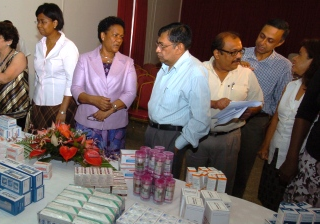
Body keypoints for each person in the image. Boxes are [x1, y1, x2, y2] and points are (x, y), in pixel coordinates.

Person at [185, 32, 263, 194]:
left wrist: (249, 110)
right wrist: (214, 103)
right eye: (233, 52)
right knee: (193, 184)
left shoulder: (246, 74)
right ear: (217, 53)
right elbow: (184, 101)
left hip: (229, 138)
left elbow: (259, 102)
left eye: (240, 51)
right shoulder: (198, 71)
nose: (238, 56)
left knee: (222, 186)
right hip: (200, 136)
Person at [233, 18, 293, 198]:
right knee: (223, 160)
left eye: (270, 40)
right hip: (231, 112)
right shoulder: (240, 53)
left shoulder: (284, 66)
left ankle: (233, 202)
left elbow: (281, 102)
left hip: (256, 121)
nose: (262, 42)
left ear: (280, 43)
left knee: (243, 167)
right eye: (262, 36)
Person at [257, 39, 320, 210]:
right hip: (275, 151)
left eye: (300, 55)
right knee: (266, 198)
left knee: (286, 205)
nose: (294, 58)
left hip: (296, 156)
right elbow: (276, 117)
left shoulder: (316, 95)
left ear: (313, 62)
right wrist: (265, 145)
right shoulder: (291, 86)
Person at [145, 22, 211, 179]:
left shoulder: (195, 72)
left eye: (162, 46)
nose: (157, 50)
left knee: (162, 184)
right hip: (152, 130)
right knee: (147, 178)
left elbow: (201, 119)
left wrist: (178, 144)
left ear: (179, 47)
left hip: (170, 136)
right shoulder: (165, 66)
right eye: (157, 44)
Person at [71, 16, 136, 160]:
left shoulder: (127, 63)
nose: (119, 40)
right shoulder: (85, 59)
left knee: (113, 164)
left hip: (115, 123)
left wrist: (110, 109)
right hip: (88, 122)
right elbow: (76, 88)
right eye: (115, 35)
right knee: (87, 162)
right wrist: (93, 100)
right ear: (103, 35)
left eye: (121, 36)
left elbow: (130, 92)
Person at [275, 40, 320, 207]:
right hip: (315, 160)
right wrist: (292, 158)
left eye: (299, 55)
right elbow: (305, 114)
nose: (294, 58)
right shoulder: (295, 85)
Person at [31, 3, 79, 130]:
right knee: (37, 144)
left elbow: (72, 81)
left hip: (59, 105)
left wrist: (63, 111)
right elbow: (38, 76)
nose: (39, 25)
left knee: (57, 146)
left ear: (55, 23)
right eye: (37, 21)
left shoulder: (68, 47)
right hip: (38, 103)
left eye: (43, 21)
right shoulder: (39, 45)